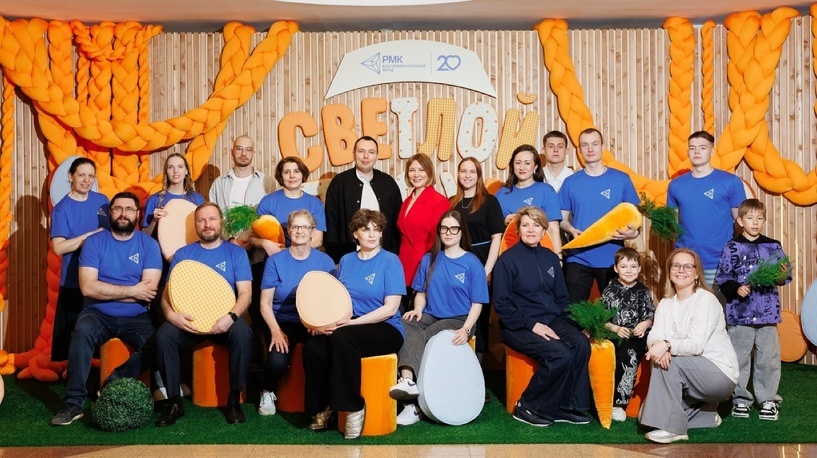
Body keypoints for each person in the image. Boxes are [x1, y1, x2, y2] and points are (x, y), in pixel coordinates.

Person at [49, 192, 162, 426]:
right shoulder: (94, 242)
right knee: (82, 332)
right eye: (118, 208)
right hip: (97, 313)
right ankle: (73, 403)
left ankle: (115, 380)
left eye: (129, 209)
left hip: (137, 316)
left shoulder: (149, 245)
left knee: (160, 341)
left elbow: (149, 291)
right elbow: (88, 288)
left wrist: (110, 290)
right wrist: (133, 291)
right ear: (110, 213)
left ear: (137, 214)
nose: (123, 213)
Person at [303, 209, 405, 440]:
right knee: (314, 347)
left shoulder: (390, 261)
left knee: (343, 338)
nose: (372, 234)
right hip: (349, 325)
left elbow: (390, 308)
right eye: (365, 229)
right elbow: (337, 300)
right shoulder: (347, 261)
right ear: (355, 234)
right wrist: (322, 324)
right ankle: (322, 407)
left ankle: (353, 407)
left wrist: (352, 323)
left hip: (386, 327)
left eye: (376, 230)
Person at [155, 202, 253, 426]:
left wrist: (231, 317)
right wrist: (171, 316)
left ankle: (233, 400)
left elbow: (246, 294)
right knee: (164, 335)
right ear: (196, 225)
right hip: (190, 324)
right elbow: (165, 297)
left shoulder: (236, 253)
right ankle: (174, 402)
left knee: (243, 334)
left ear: (221, 222)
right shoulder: (183, 254)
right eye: (201, 220)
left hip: (224, 322)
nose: (207, 224)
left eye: (212, 219)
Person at [493, 206, 591, 427]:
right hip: (517, 326)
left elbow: (562, 299)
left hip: (551, 319)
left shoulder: (550, 258)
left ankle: (567, 406)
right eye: (525, 225)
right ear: (518, 230)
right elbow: (502, 305)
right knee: (560, 354)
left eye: (536, 225)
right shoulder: (507, 260)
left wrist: (577, 325)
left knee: (581, 344)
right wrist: (532, 325)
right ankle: (528, 406)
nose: (531, 230)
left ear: (544, 230)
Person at [389, 210, 488, 426]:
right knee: (404, 324)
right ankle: (407, 381)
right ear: (439, 232)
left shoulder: (472, 263)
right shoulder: (429, 259)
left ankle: (416, 407)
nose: (448, 232)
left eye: (454, 228)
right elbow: (421, 293)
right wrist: (418, 309)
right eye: (444, 228)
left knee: (428, 337)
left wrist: (467, 329)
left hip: (460, 318)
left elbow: (477, 303)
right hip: (430, 313)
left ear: (461, 232)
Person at [639, 248, 738, 444]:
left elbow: (696, 345)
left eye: (687, 266)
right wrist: (659, 344)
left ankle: (674, 429)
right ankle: (706, 414)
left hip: (719, 374)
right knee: (646, 416)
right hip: (690, 372)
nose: (681, 270)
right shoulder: (666, 304)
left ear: (696, 273)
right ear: (670, 271)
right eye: (676, 266)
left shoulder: (706, 299)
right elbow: (655, 335)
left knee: (670, 363)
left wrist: (667, 345)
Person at [715, 198, 791, 421]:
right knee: (739, 358)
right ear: (740, 221)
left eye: (759, 218)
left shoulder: (773, 246)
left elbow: (783, 276)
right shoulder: (731, 247)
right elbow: (723, 277)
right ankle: (740, 398)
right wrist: (736, 288)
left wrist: (782, 274)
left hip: (768, 314)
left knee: (768, 359)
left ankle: (768, 400)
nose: (755, 222)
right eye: (750, 218)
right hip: (740, 314)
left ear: (764, 221)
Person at [257, 210, 335, 416]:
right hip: (282, 321)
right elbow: (265, 303)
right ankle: (267, 391)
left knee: (319, 354)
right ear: (289, 231)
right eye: (295, 227)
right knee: (277, 360)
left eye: (305, 227)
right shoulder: (275, 261)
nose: (300, 231)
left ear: (312, 232)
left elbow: (330, 299)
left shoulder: (325, 262)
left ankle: (322, 403)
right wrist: (275, 331)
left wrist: (319, 323)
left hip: (313, 321)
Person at [208, 136, 273, 367]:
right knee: (228, 306)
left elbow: (271, 217)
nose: (244, 153)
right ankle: (230, 366)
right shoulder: (219, 184)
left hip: (258, 255)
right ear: (232, 151)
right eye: (239, 149)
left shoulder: (267, 182)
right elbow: (215, 216)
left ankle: (259, 367)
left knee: (258, 310)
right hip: (228, 252)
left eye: (248, 149)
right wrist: (231, 240)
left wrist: (255, 241)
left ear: (253, 153)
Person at [559, 128, 640, 302]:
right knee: (574, 311)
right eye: (585, 145)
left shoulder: (622, 180)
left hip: (613, 259)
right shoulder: (570, 183)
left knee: (614, 312)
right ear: (579, 150)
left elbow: (634, 221)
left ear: (602, 146)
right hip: (578, 257)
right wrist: (570, 229)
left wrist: (634, 233)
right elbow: (562, 220)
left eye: (595, 144)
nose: (590, 149)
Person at [50, 158, 110, 363]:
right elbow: (59, 247)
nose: (86, 180)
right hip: (74, 281)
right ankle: (73, 371)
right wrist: (90, 237)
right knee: (74, 335)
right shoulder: (62, 209)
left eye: (91, 176)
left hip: (104, 277)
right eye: (81, 175)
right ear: (71, 176)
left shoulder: (102, 201)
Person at [667, 130, 745, 288]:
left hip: (720, 262)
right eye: (692, 148)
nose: (696, 151)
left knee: (717, 304)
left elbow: (741, 223)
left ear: (712, 151)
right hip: (686, 263)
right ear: (688, 152)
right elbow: (672, 223)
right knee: (686, 303)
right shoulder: (675, 185)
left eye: (702, 147)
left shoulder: (730, 182)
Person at [449, 157, 504, 362]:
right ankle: (458, 359)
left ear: (478, 175)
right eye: (463, 171)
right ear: (458, 174)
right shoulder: (452, 202)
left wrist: (486, 270)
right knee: (458, 310)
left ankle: (478, 364)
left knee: (480, 314)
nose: (467, 175)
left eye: (472, 171)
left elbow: (496, 237)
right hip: (458, 261)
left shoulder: (490, 201)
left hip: (482, 261)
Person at [324, 136, 402, 264]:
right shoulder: (339, 183)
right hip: (347, 257)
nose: (366, 156)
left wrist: (394, 253)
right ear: (353, 154)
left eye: (371, 152)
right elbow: (331, 223)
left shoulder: (388, 183)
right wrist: (334, 258)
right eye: (361, 151)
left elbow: (396, 224)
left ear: (376, 156)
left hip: (383, 257)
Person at [600, 247, 654, 422]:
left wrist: (644, 324)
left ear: (639, 269)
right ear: (616, 269)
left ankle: (619, 404)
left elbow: (650, 316)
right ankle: (602, 400)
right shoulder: (609, 291)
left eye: (633, 267)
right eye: (624, 267)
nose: (629, 271)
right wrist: (615, 328)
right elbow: (601, 320)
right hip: (614, 334)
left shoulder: (643, 291)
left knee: (629, 356)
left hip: (637, 336)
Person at [396, 153, 450, 305]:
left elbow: (439, 240)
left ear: (429, 172)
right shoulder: (407, 201)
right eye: (412, 170)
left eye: (421, 170)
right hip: (404, 264)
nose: (416, 174)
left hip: (425, 264)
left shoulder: (439, 201)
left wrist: (429, 267)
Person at [496, 144, 562, 256]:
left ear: (535, 166)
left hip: (539, 255)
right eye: (518, 163)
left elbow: (553, 229)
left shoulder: (546, 191)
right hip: (508, 255)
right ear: (512, 165)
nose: (522, 167)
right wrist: (504, 222)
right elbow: (493, 231)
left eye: (527, 163)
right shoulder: (501, 193)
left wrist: (558, 258)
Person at [254, 156, 325, 252]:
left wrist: (291, 253)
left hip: (307, 257)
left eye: (296, 171)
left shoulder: (315, 203)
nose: (292, 176)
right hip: (276, 256)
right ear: (281, 176)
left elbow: (317, 240)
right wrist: (264, 243)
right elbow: (252, 238)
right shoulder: (268, 202)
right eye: (286, 172)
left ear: (302, 174)